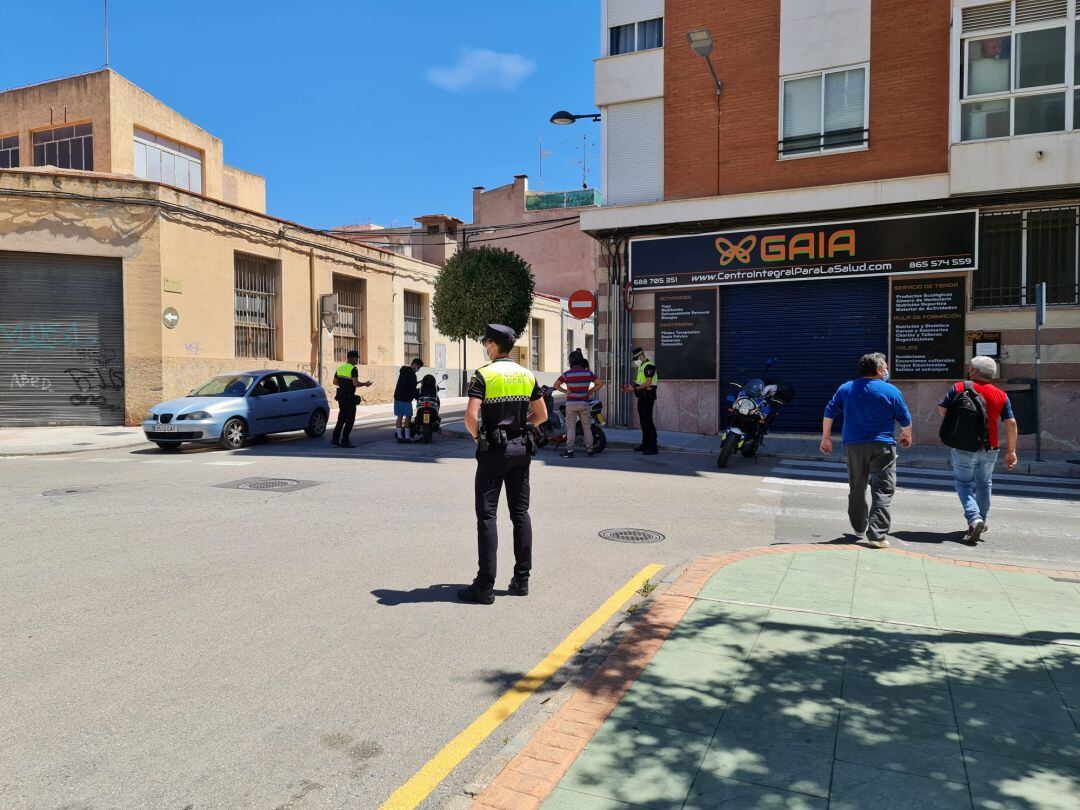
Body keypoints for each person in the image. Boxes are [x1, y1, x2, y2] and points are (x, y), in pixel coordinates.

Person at [458, 324, 547, 605]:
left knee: (487, 516)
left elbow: (471, 417)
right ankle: (522, 579)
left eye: (486, 342)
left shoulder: (483, 374)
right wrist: (523, 426)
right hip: (522, 450)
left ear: (495, 345)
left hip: (494, 451)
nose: (485, 346)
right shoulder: (526, 374)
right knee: (520, 514)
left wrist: (477, 437)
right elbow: (542, 415)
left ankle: (485, 585)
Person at [820, 352, 913, 549]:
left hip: (853, 446)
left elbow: (830, 410)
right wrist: (907, 435)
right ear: (880, 371)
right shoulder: (891, 390)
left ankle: (859, 527)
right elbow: (905, 419)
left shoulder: (846, 388)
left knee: (857, 486)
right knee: (883, 489)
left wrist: (826, 437)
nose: (887, 370)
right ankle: (877, 535)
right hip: (883, 446)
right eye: (886, 367)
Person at [937, 356, 1019, 545]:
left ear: (974, 372)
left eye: (970, 368)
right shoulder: (1001, 395)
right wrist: (1011, 451)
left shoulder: (959, 387)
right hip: (991, 447)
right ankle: (979, 521)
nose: (968, 370)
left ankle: (975, 519)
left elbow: (942, 410)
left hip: (964, 445)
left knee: (963, 484)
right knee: (984, 484)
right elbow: (1011, 422)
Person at [554, 350, 604, 458]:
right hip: (584, 403)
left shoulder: (567, 374)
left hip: (571, 403)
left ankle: (570, 451)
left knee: (571, 427)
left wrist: (565, 391)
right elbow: (600, 384)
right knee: (587, 427)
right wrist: (591, 391)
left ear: (571, 361)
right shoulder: (588, 373)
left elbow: (556, 385)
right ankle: (590, 450)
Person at [620, 347, 658, 455]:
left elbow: (648, 383)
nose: (635, 360)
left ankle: (653, 447)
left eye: (636, 358)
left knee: (648, 422)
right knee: (643, 422)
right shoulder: (642, 366)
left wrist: (634, 389)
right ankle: (645, 445)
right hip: (642, 397)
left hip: (648, 397)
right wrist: (629, 387)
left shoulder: (649, 366)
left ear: (641, 355)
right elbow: (639, 383)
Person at [331, 350, 373, 448]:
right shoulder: (353, 369)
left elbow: (335, 382)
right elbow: (356, 384)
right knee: (350, 419)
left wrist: (343, 385)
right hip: (349, 397)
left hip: (341, 396)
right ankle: (345, 440)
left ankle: (335, 439)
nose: (357, 360)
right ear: (351, 358)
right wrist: (365, 384)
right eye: (356, 358)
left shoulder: (340, 368)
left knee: (341, 419)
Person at [393, 358, 423, 442]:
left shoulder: (403, 371)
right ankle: (407, 437)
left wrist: (417, 382)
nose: (418, 369)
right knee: (408, 417)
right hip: (406, 399)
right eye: (418, 367)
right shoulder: (412, 374)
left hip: (398, 397)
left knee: (399, 416)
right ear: (414, 364)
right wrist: (418, 397)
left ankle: (399, 436)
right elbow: (412, 388)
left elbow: (405, 383)